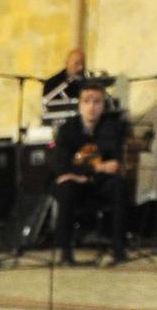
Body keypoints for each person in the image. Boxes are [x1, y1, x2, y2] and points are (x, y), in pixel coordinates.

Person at [51, 81, 132, 267]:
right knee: (67, 187)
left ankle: (118, 246)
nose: (91, 107)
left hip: (99, 183)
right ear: (79, 104)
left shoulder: (112, 128)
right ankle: (65, 251)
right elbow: (62, 166)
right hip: (75, 183)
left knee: (119, 186)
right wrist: (96, 168)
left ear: (103, 105)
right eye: (87, 101)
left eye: (97, 102)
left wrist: (88, 173)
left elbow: (114, 164)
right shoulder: (67, 130)